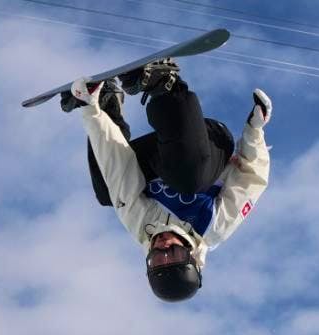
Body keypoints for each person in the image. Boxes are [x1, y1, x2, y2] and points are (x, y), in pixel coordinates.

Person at [63, 61, 271, 302]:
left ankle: (107, 101)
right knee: (188, 182)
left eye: (155, 259)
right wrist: (255, 131)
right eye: (173, 253)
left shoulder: (142, 227)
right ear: (191, 257)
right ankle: (165, 85)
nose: (161, 248)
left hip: (159, 157)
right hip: (206, 142)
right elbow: (252, 178)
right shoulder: (212, 226)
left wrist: (90, 110)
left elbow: (118, 169)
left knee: (108, 193)